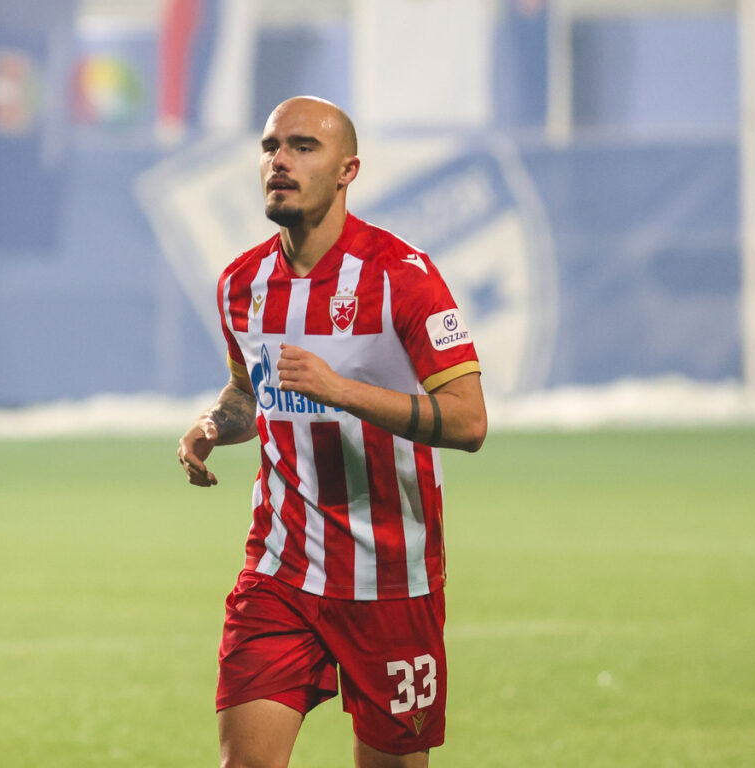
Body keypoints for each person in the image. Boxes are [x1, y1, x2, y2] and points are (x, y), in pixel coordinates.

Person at [177, 96, 487, 768]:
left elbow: (469, 422)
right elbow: (248, 391)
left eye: (301, 147)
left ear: (348, 170)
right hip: (280, 571)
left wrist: (341, 390)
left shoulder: (404, 279)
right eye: (269, 147)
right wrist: (208, 427)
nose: (279, 161)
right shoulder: (241, 284)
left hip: (391, 581)